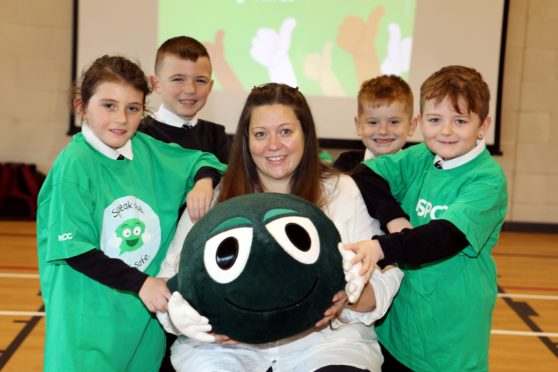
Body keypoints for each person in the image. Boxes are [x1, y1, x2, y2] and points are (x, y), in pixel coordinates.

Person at [158, 83, 404, 372]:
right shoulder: (214, 197)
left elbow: (385, 271)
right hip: (225, 350)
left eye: (286, 132)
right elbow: (171, 280)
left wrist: (350, 299)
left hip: (325, 345)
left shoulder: (341, 190)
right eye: (261, 134)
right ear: (246, 140)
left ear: (306, 134)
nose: (273, 145)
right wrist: (185, 318)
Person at [36, 55, 226, 372]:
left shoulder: (147, 150)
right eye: (108, 105)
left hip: (140, 331)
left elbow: (203, 159)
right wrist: (142, 284)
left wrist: (204, 182)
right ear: (81, 106)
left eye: (133, 108)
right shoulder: (74, 164)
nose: (121, 119)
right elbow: (76, 249)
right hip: (87, 333)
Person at [344, 65, 508, 371]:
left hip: (451, 336)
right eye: (435, 120)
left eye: (459, 121)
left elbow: (444, 237)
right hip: (398, 329)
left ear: (483, 126)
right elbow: (364, 176)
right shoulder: (421, 156)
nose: (445, 131)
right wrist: (394, 218)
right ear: (421, 122)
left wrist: (382, 247)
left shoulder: (487, 180)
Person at [139, 35, 230, 164]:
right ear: (156, 84)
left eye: (200, 80)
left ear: (210, 87)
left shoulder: (216, 136)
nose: (190, 89)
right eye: (178, 79)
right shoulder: (139, 134)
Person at [334, 75, 416, 172]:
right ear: (359, 126)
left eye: (394, 122)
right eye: (373, 122)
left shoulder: (417, 169)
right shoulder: (346, 163)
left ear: (411, 126)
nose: (383, 131)